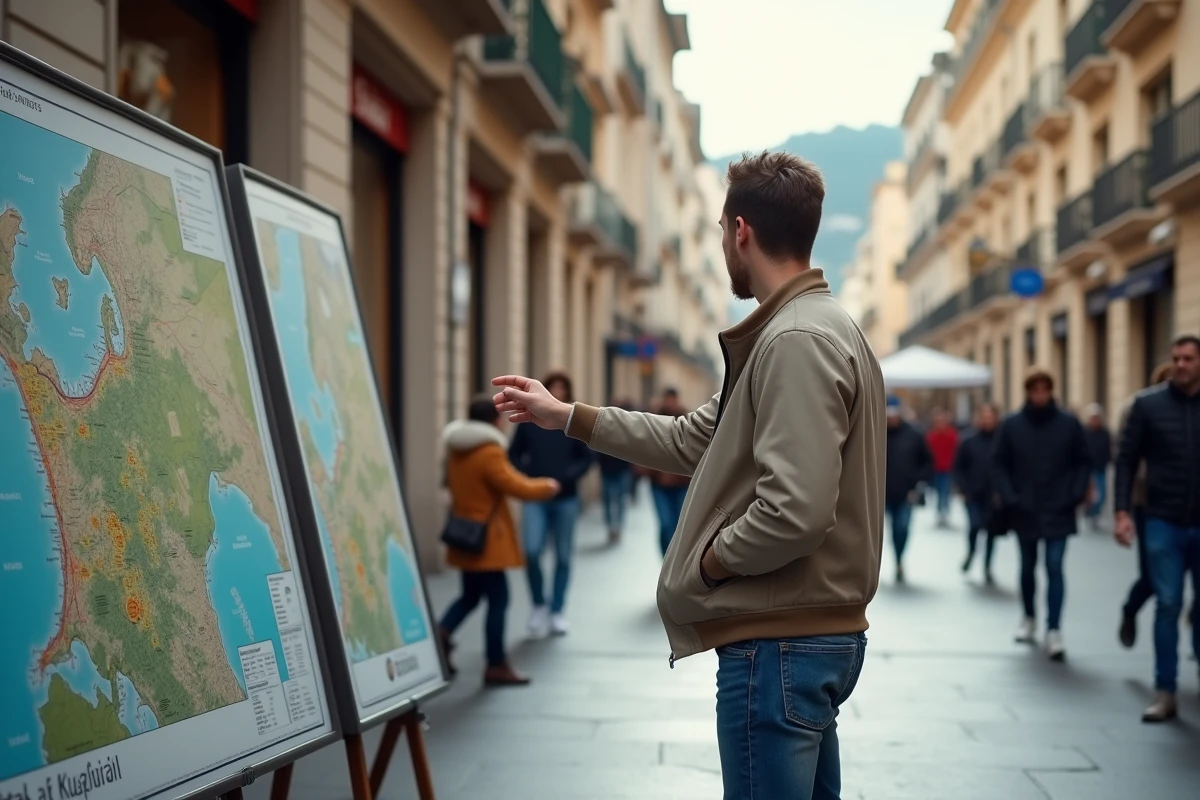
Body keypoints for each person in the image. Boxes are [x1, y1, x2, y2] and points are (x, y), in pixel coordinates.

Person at [492, 151, 884, 799]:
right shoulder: (803, 331)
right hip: (799, 638)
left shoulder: (793, 342)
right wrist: (565, 415)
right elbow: (687, 439)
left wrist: (709, 563)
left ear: (741, 232)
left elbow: (796, 510)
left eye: (719, 230)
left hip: (778, 642)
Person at [438, 396, 560, 686]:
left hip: (464, 533)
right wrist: (547, 486)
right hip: (487, 539)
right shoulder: (489, 451)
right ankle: (495, 664)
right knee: (498, 600)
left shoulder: (456, 449)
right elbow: (514, 485)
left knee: (469, 597)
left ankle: (439, 639)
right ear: (495, 421)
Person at [1114, 335, 1200, 723]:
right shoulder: (1148, 405)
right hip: (1161, 518)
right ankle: (1165, 691)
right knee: (1168, 603)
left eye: (1188, 359)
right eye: (1176, 358)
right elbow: (1126, 460)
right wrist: (1121, 512)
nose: (1180, 364)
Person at [992, 368, 1091, 661]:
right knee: (1027, 567)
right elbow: (998, 463)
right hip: (1024, 509)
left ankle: (1054, 629)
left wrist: (1073, 494)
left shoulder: (1069, 424)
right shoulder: (1012, 425)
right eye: (1034, 390)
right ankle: (1029, 617)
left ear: (1050, 391)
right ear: (1028, 391)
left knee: (1055, 566)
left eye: (1044, 389)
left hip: (1059, 508)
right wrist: (1011, 497)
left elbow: (1083, 462)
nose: (1039, 395)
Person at [508, 371, 594, 638]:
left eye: (562, 388)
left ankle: (557, 610)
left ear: (568, 391)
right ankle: (538, 606)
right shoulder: (529, 421)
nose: (557, 392)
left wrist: (569, 476)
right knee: (532, 551)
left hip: (566, 499)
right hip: (536, 498)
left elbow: (587, 457)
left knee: (564, 556)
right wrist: (529, 474)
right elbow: (513, 453)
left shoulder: (573, 421)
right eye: (553, 387)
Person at [1118, 362, 1172, 649]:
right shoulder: (1139, 407)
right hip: (1149, 504)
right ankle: (1130, 609)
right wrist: (1122, 509)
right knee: (1153, 577)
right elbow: (1126, 456)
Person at [884, 395, 932, 584]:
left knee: (902, 527)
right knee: (886, 530)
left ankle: (899, 559)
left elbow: (927, 462)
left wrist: (918, 484)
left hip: (907, 493)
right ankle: (895, 559)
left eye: (894, 415)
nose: (891, 419)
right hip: (882, 494)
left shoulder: (914, 434)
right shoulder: (877, 433)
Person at [954, 402, 1002, 584]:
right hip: (972, 494)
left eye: (991, 417)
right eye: (984, 417)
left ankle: (988, 566)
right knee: (975, 526)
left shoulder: (1002, 440)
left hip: (995, 496)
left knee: (991, 531)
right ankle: (972, 552)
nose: (987, 421)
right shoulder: (968, 441)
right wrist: (963, 489)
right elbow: (958, 468)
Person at [646, 388, 692, 556]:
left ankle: (673, 559)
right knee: (665, 524)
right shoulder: (655, 419)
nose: (671, 403)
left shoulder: (687, 420)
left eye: (673, 399)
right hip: (659, 485)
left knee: (677, 525)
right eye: (668, 399)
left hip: (681, 484)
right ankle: (666, 559)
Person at [925, 407, 959, 528]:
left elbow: (956, 451)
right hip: (935, 469)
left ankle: (944, 513)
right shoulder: (931, 436)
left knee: (945, 492)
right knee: (938, 492)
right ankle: (940, 513)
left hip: (948, 469)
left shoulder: (952, 435)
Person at [1083, 403, 1112, 532]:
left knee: (1102, 495)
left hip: (1101, 468)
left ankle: (1095, 515)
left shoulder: (1105, 433)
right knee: (1092, 495)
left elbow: (1108, 449)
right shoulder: (1084, 432)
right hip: (1088, 469)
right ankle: (1089, 514)